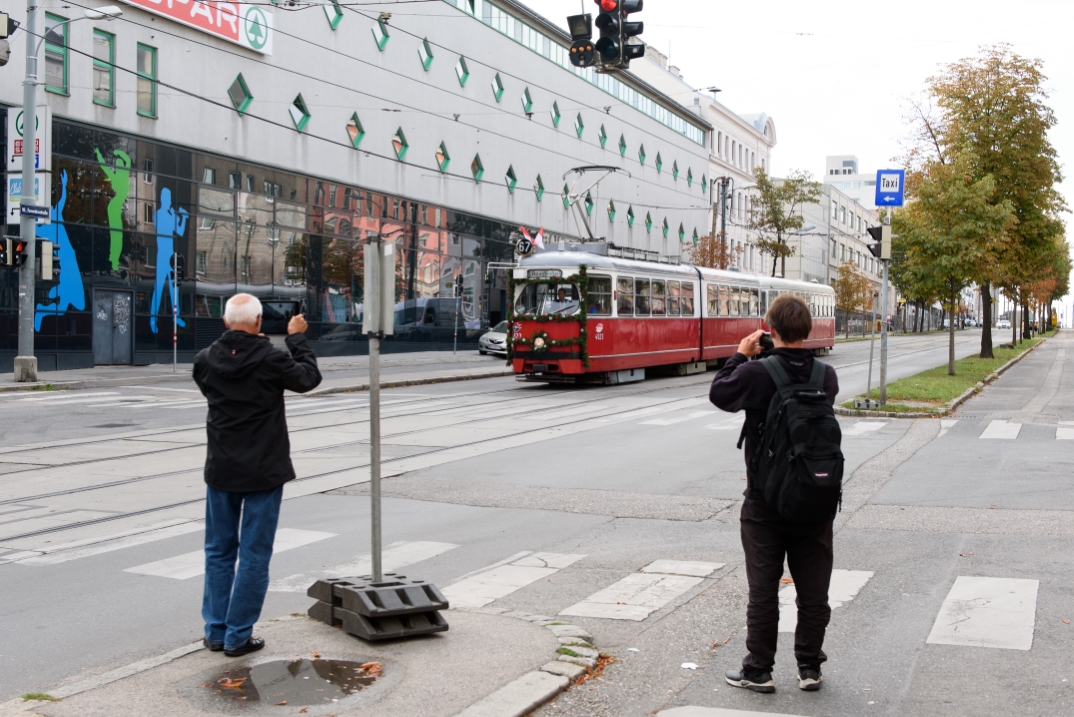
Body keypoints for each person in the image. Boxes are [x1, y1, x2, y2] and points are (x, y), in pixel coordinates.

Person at [709, 294, 839, 694]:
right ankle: (810, 667)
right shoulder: (826, 376)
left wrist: (739, 355)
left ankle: (759, 670)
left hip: (766, 502)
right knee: (813, 592)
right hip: (814, 498)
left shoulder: (757, 373)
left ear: (772, 329)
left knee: (763, 591)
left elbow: (720, 394)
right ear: (809, 330)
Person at [193, 293, 322, 657]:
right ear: (259, 322)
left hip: (221, 468)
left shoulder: (204, 360)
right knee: (254, 554)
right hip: (264, 470)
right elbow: (308, 379)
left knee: (218, 552)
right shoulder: (272, 358)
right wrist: (295, 337)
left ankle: (216, 632)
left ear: (224, 322)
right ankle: (237, 636)